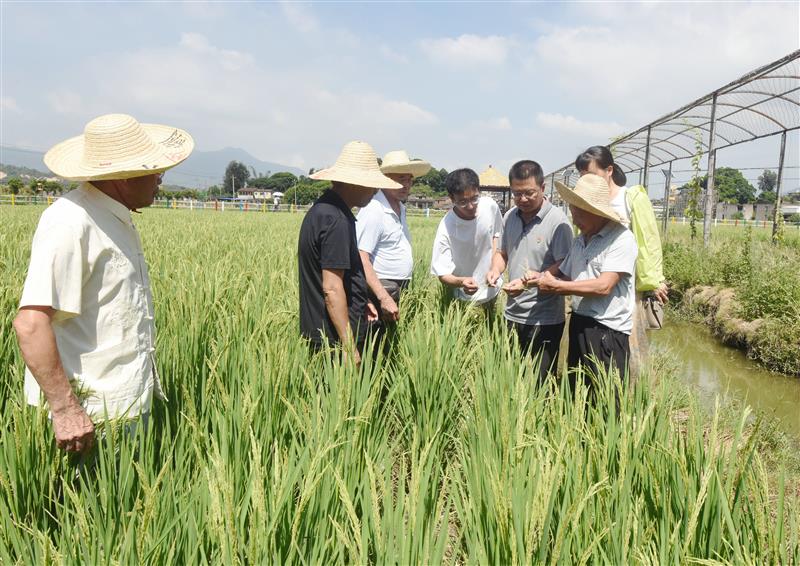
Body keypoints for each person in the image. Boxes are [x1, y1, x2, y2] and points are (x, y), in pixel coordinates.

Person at [12, 113, 194, 455]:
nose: (160, 178)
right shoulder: (70, 222)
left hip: (125, 406)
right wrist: (66, 411)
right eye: (153, 169)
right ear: (122, 176)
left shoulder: (114, 216)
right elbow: (30, 323)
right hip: (88, 421)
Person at [525, 173, 638, 391]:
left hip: (607, 330)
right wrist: (535, 279)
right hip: (579, 322)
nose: (575, 220)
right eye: (573, 213)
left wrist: (558, 287)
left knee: (605, 398)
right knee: (578, 392)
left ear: (596, 212)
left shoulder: (621, 239)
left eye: (579, 214)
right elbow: (567, 277)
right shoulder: (580, 241)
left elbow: (603, 286)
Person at [298, 141, 401, 363]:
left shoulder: (323, 210)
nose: (375, 190)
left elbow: (340, 276)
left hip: (325, 331)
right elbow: (332, 288)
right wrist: (349, 347)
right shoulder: (336, 220)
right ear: (352, 183)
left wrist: (361, 301)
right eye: (371, 184)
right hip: (333, 340)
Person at [574, 146, 668, 375]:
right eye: (582, 177)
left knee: (627, 345)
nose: (587, 181)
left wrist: (654, 280)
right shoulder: (587, 200)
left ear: (609, 170)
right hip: (591, 282)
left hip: (622, 285)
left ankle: (629, 398)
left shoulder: (630, 198)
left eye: (591, 175)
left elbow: (648, 240)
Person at [486, 160, 573, 381]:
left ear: (543, 188)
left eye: (529, 193)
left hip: (544, 318)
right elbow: (503, 253)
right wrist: (495, 271)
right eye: (517, 194)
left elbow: (565, 264)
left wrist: (528, 283)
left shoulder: (558, 222)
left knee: (539, 382)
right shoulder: (510, 217)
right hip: (512, 313)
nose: (522, 199)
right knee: (509, 376)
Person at [356, 150, 431, 330]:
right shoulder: (374, 209)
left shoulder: (400, 208)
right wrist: (383, 296)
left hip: (397, 288)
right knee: (375, 345)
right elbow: (361, 257)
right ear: (385, 179)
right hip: (379, 289)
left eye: (409, 179)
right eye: (400, 179)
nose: (406, 185)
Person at [431, 168, 503, 308]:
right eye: (462, 202)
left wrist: (494, 267)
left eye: (474, 198)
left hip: (493, 289)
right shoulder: (447, 227)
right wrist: (461, 282)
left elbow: (496, 235)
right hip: (463, 297)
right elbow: (442, 273)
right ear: (452, 199)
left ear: (479, 191)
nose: (470, 206)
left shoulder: (490, 206)